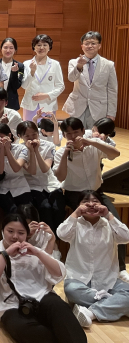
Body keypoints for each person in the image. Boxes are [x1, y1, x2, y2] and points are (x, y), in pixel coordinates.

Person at [0, 213, 86, 343]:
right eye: (10, 231)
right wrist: (6, 254)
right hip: (10, 304)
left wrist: (38, 253)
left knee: (63, 311)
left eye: (21, 233)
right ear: (2, 231)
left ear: (27, 234)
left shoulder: (33, 250)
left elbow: (59, 273)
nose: (15, 236)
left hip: (42, 295)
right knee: (31, 332)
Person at [54, 117, 126, 278]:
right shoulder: (60, 153)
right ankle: (86, 267)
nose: (73, 136)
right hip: (75, 195)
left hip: (97, 193)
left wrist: (91, 142)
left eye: (76, 132)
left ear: (83, 131)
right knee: (88, 224)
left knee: (115, 221)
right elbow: (60, 177)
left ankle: (121, 268)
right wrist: (66, 153)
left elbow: (115, 154)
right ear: (64, 135)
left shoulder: (94, 146)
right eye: (68, 134)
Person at [58, 190, 129, 327]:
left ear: (102, 205)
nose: (91, 204)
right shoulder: (75, 224)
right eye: (85, 202)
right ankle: (115, 304)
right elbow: (62, 234)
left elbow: (126, 237)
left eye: (95, 201)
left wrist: (109, 215)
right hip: (79, 279)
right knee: (71, 290)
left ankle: (90, 313)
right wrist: (76, 213)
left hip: (107, 280)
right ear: (79, 205)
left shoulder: (109, 224)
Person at [16, 121, 64, 237]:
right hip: (32, 184)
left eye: (34, 134)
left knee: (58, 208)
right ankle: (49, 238)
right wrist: (32, 151)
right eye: (27, 136)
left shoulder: (49, 145)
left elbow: (45, 169)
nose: (32, 138)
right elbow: (31, 171)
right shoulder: (19, 149)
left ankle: (57, 238)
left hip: (50, 183)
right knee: (44, 207)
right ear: (20, 136)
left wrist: (36, 151)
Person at [63, 31, 118, 128]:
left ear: (99, 46)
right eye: (87, 43)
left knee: (94, 135)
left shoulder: (108, 65)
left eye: (93, 43)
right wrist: (79, 66)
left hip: (99, 108)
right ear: (82, 46)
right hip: (77, 106)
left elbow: (112, 90)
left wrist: (111, 112)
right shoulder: (74, 62)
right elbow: (71, 78)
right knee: (75, 134)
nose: (90, 46)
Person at [0, 123, 32, 214]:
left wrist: (7, 150)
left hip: (20, 186)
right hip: (1, 189)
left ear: (9, 135)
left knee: (26, 211)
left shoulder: (21, 148)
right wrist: (2, 150)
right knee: (12, 211)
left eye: (0, 136)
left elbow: (16, 168)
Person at [20, 34, 65, 121]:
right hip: (31, 104)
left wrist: (47, 95)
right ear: (34, 47)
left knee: (47, 129)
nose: (41, 48)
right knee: (29, 128)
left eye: (45, 45)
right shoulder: (26, 64)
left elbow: (61, 86)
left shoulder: (55, 64)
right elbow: (24, 86)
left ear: (49, 47)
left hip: (48, 104)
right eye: (39, 45)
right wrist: (32, 72)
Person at [0, 37, 24, 110]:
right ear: (1, 49)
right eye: (5, 47)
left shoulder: (20, 66)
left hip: (12, 102)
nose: (8, 50)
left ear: (15, 50)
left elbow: (16, 86)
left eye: (11, 48)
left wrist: (14, 73)